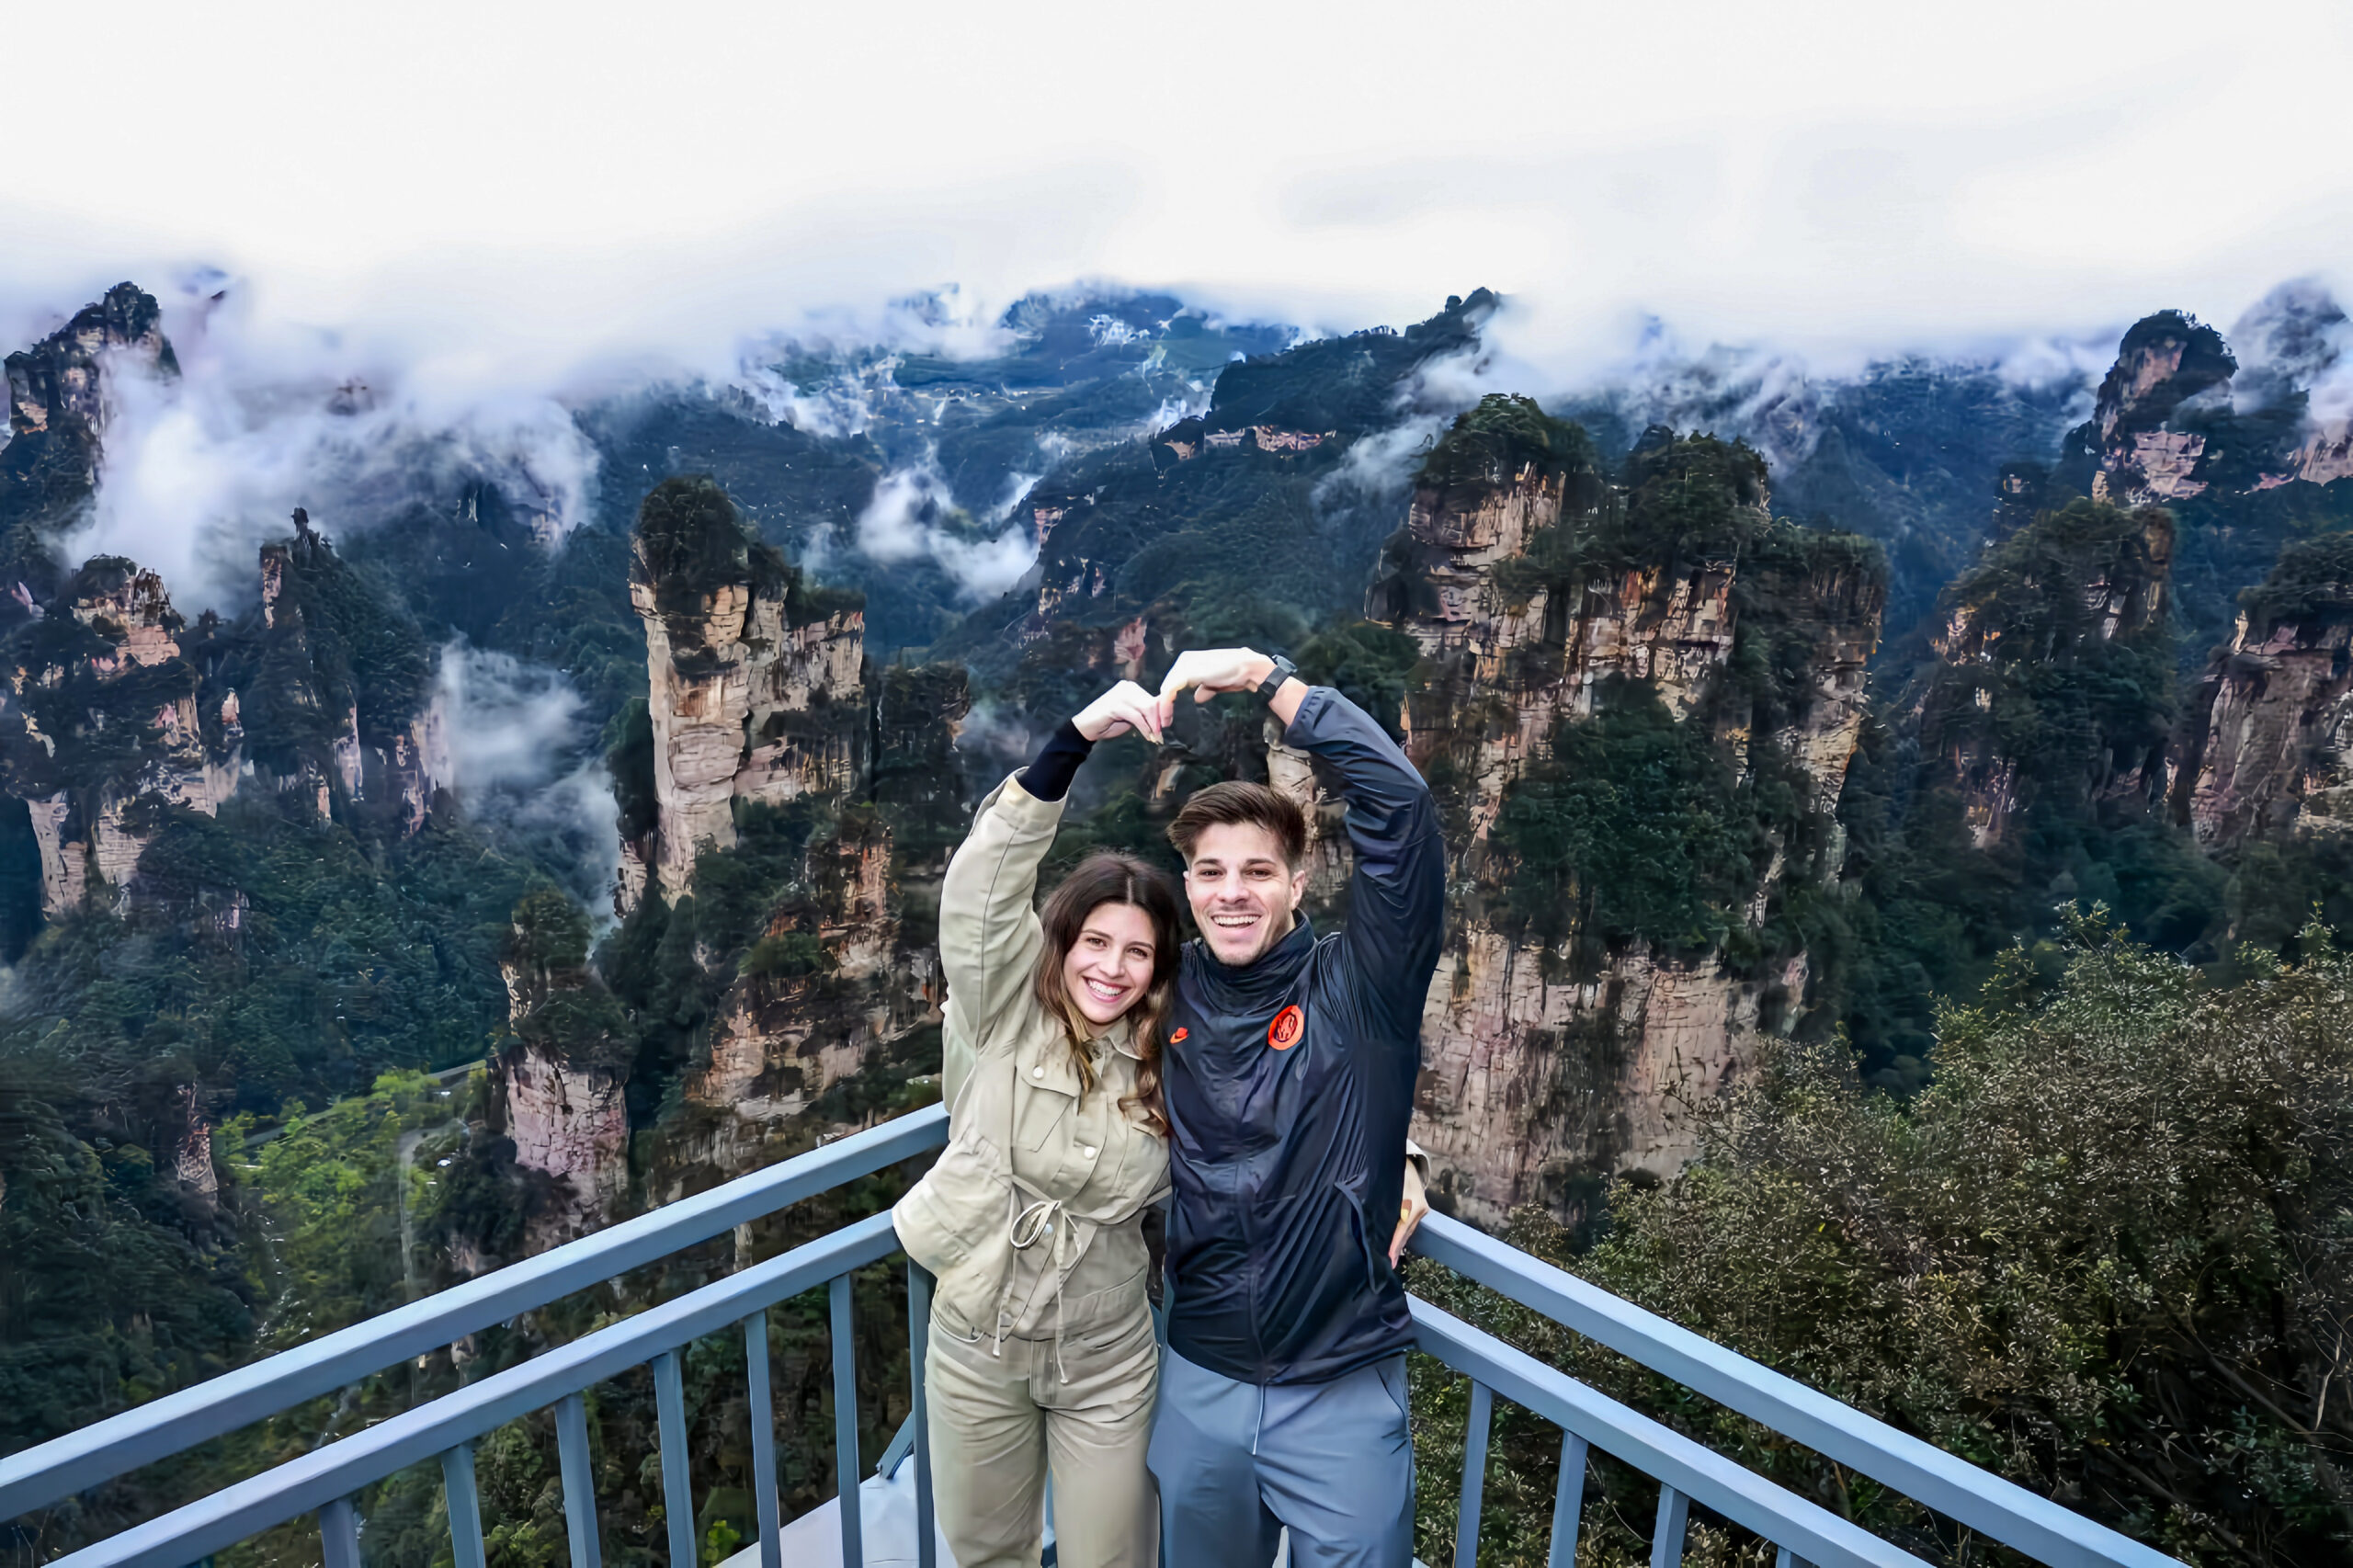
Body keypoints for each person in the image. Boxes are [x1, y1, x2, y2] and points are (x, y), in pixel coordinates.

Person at [1143, 647, 1447, 1568]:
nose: (1232, 890)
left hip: (1340, 1380)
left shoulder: (1362, 984)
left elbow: (1403, 808)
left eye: (1257, 870)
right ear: (1187, 888)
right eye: (1209, 871)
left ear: (1296, 883)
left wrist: (1267, 677)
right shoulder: (1163, 993)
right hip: (1197, 1370)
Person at [892, 677, 1183, 1568]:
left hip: (1106, 1353)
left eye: (1136, 950)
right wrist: (1074, 740)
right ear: (1064, 940)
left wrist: (1393, 1154)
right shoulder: (1003, 1007)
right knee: (986, 1552)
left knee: (1113, 1555)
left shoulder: (1181, 1053)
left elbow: (1293, 1083)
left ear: (1160, 965)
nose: (1112, 967)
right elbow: (980, 893)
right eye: (1096, 941)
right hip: (977, 1339)